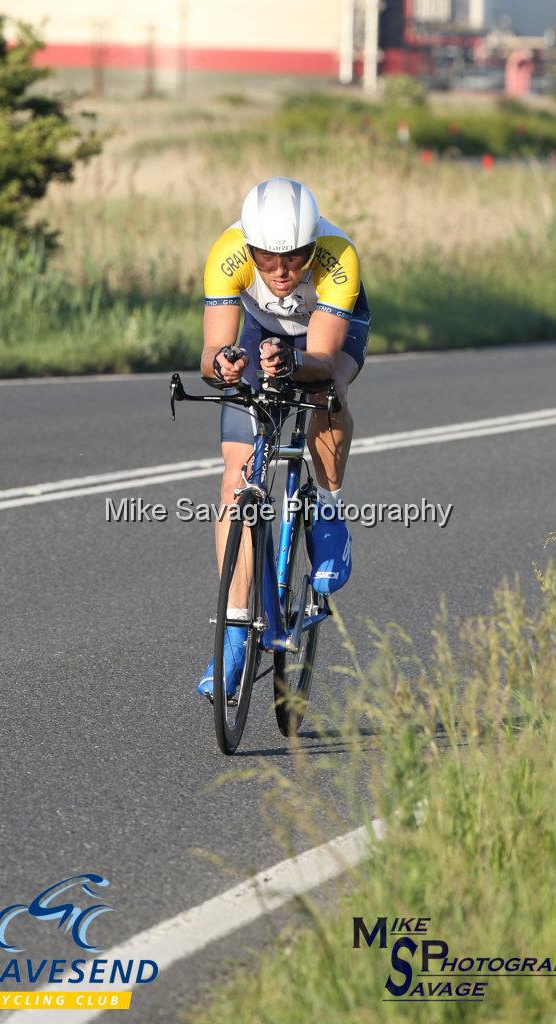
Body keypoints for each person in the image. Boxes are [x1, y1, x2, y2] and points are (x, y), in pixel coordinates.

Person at [196, 177, 370, 698]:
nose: (280, 271)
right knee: (235, 478)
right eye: (266, 259)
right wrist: (223, 364)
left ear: (312, 245)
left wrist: (297, 363)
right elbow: (210, 353)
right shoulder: (227, 254)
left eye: (293, 258)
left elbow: (319, 359)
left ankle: (330, 508)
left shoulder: (339, 257)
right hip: (256, 328)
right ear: (248, 247)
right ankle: (231, 637)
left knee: (325, 389)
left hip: (323, 336)